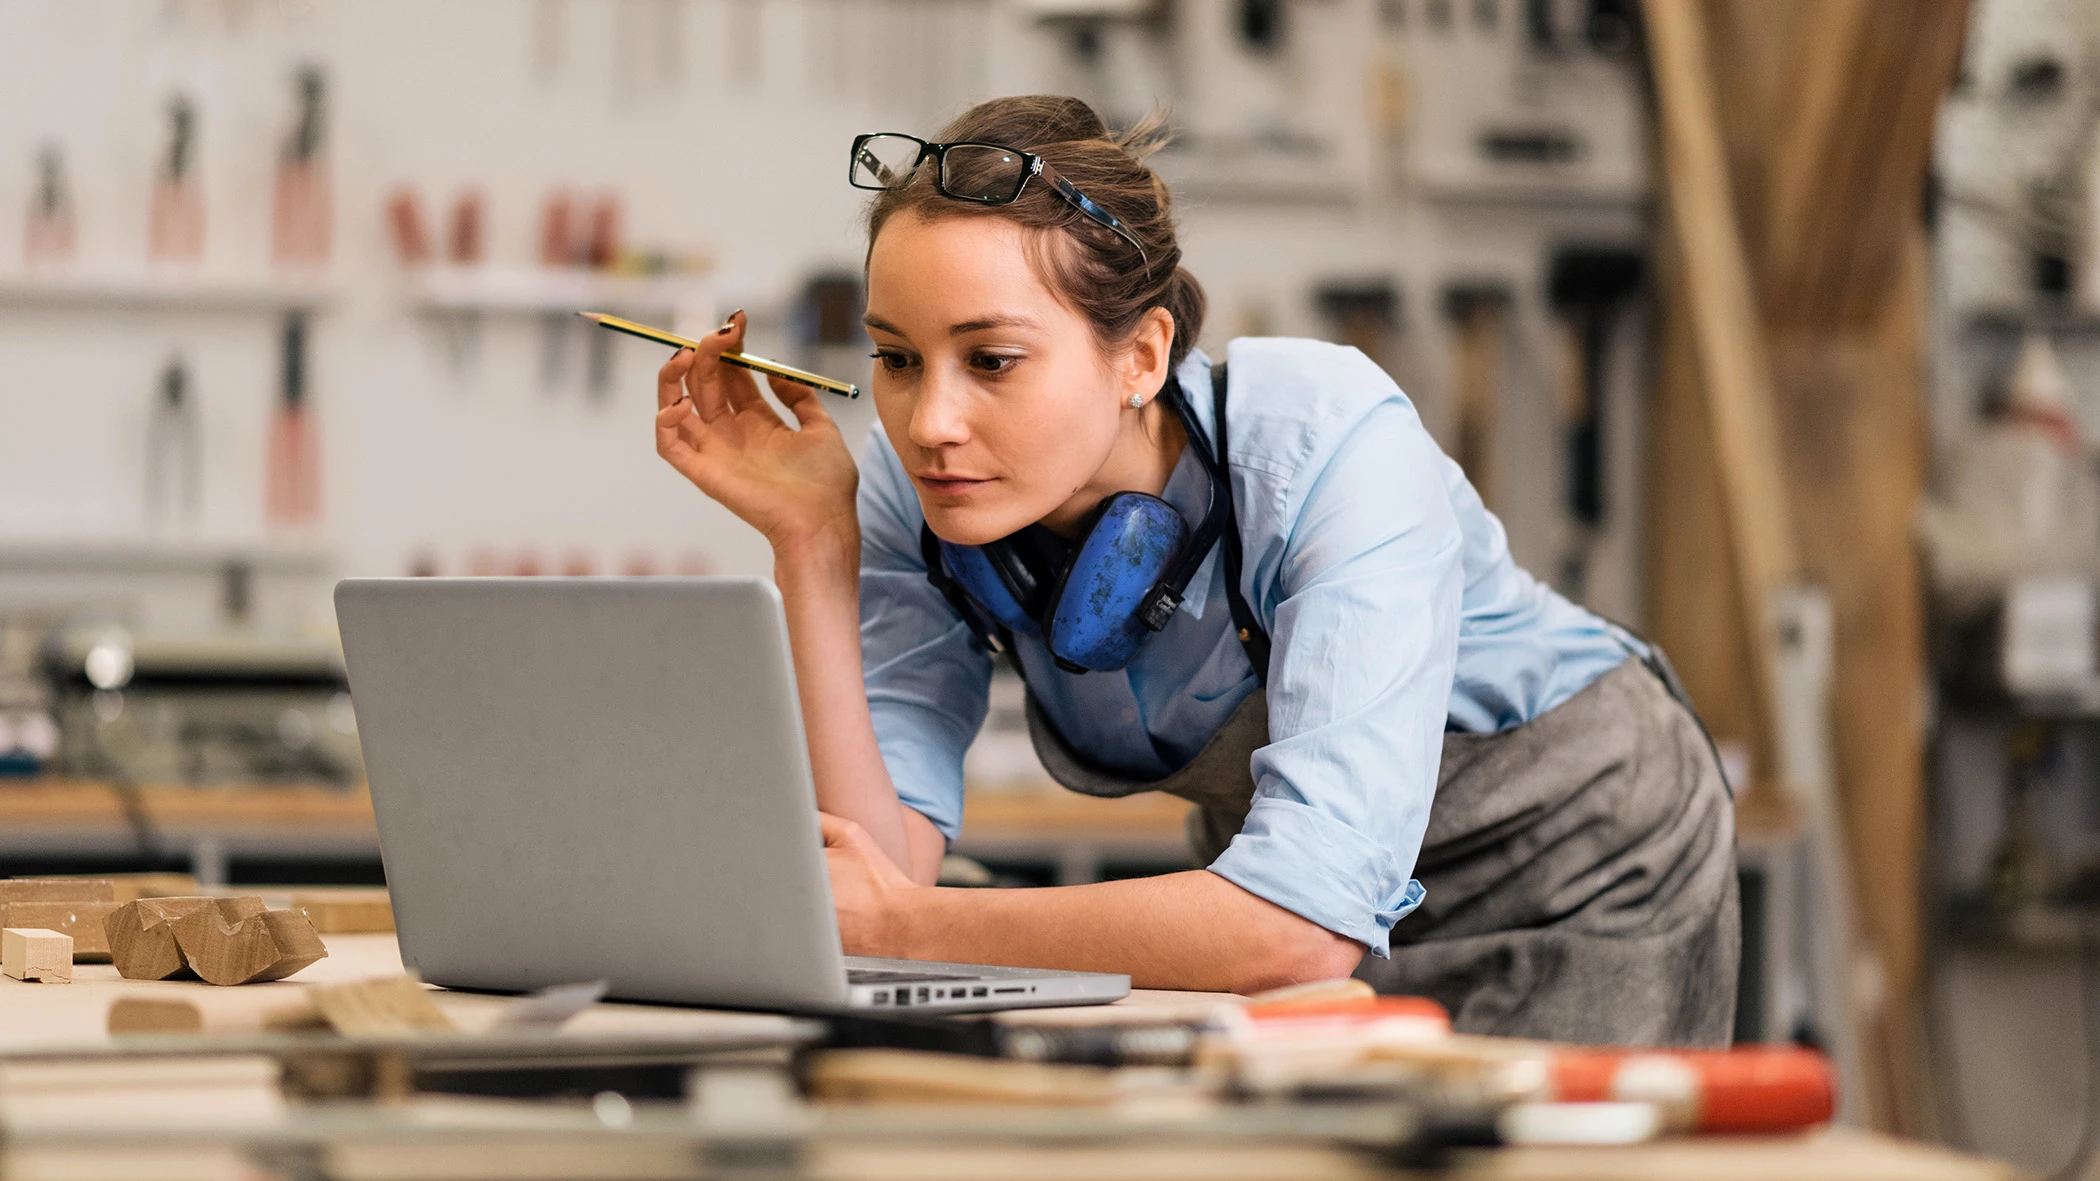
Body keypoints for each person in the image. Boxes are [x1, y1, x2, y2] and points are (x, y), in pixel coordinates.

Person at [652, 95, 1738, 1046]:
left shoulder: (1325, 440)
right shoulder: (912, 494)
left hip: (1576, 858)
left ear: (1142, 355)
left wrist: (909, 925)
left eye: (992, 360)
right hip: (1277, 910)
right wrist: (815, 550)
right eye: (896, 357)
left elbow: (1297, 926)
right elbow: (881, 869)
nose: (930, 421)